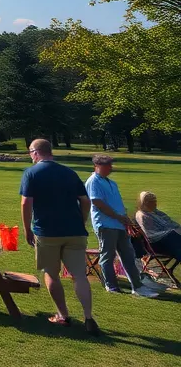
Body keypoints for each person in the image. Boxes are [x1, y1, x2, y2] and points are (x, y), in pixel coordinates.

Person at [20, 138, 98, 331]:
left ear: (36, 153)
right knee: (79, 275)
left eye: (30, 152)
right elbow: (85, 200)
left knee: (51, 274)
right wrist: (82, 219)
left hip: (47, 232)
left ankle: (62, 315)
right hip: (75, 231)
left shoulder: (31, 173)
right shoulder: (69, 172)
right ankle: (88, 317)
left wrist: (27, 229)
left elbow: (25, 203)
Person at [86, 154, 163, 296]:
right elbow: (98, 203)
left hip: (119, 224)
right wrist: (117, 216)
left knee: (128, 255)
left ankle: (137, 287)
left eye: (110, 165)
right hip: (106, 224)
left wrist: (126, 219)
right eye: (106, 165)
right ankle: (112, 286)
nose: (110, 168)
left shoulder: (112, 183)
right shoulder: (93, 181)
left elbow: (118, 204)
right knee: (107, 256)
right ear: (97, 166)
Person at [136, 192, 181, 261]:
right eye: (152, 201)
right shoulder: (143, 215)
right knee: (173, 235)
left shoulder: (156, 212)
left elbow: (170, 222)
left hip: (166, 240)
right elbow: (152, 234)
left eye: (155, 201)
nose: (155, 203)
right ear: (145, 203)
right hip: (156, 244)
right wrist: (174, 230)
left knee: (175, 234)